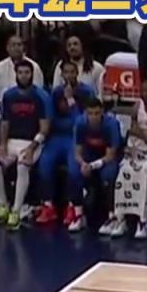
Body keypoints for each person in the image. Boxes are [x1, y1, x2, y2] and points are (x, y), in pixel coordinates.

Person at [0, 59, 49, 230]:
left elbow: (45, 128)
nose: (23, 76)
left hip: (32, 142)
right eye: (20, 72)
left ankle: (16, 210)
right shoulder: (8, 96)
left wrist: (32, 148)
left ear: (32, 74)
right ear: (16, 74)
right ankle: (3, 205)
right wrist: (2, 144)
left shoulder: (40, 96)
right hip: (12, 141)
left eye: (26, 73)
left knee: (23, 166)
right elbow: (5, 123)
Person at [107, 77, 147, 239]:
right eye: (142, 90)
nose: (143, 94)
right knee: (123, 170)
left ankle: (143, 221)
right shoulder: (138, 106)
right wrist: (131, 145)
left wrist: (146, 138)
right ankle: (120, 219)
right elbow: (132, 132)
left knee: (143, 171)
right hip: (137, 150)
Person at [37, 58, 93, 225]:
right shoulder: (55, 93)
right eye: (66, 72)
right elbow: (51, 118)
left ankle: (72, 206)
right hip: (57, 136)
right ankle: (48, 206)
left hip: (76, 138)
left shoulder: (86, 92)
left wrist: (70, 100)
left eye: (72, 72)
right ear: (61, 74)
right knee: (44, 163)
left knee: (74, 168)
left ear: (77, 73)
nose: (69, 75)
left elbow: (82, 121)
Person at [67, 99, 121, 233]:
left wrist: (92, 166)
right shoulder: (80, 123)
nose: (94, 117)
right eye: (90, 113)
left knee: (108, 175)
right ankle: (79, 215)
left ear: (102, 112)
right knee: (74, 172)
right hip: (88, 156)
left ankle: (112, 217)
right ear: (86, 113)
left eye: (97, 113)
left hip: (105, 159)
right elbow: (77, 152)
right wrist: (83, 164)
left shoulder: (111, 124)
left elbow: (111, 155)